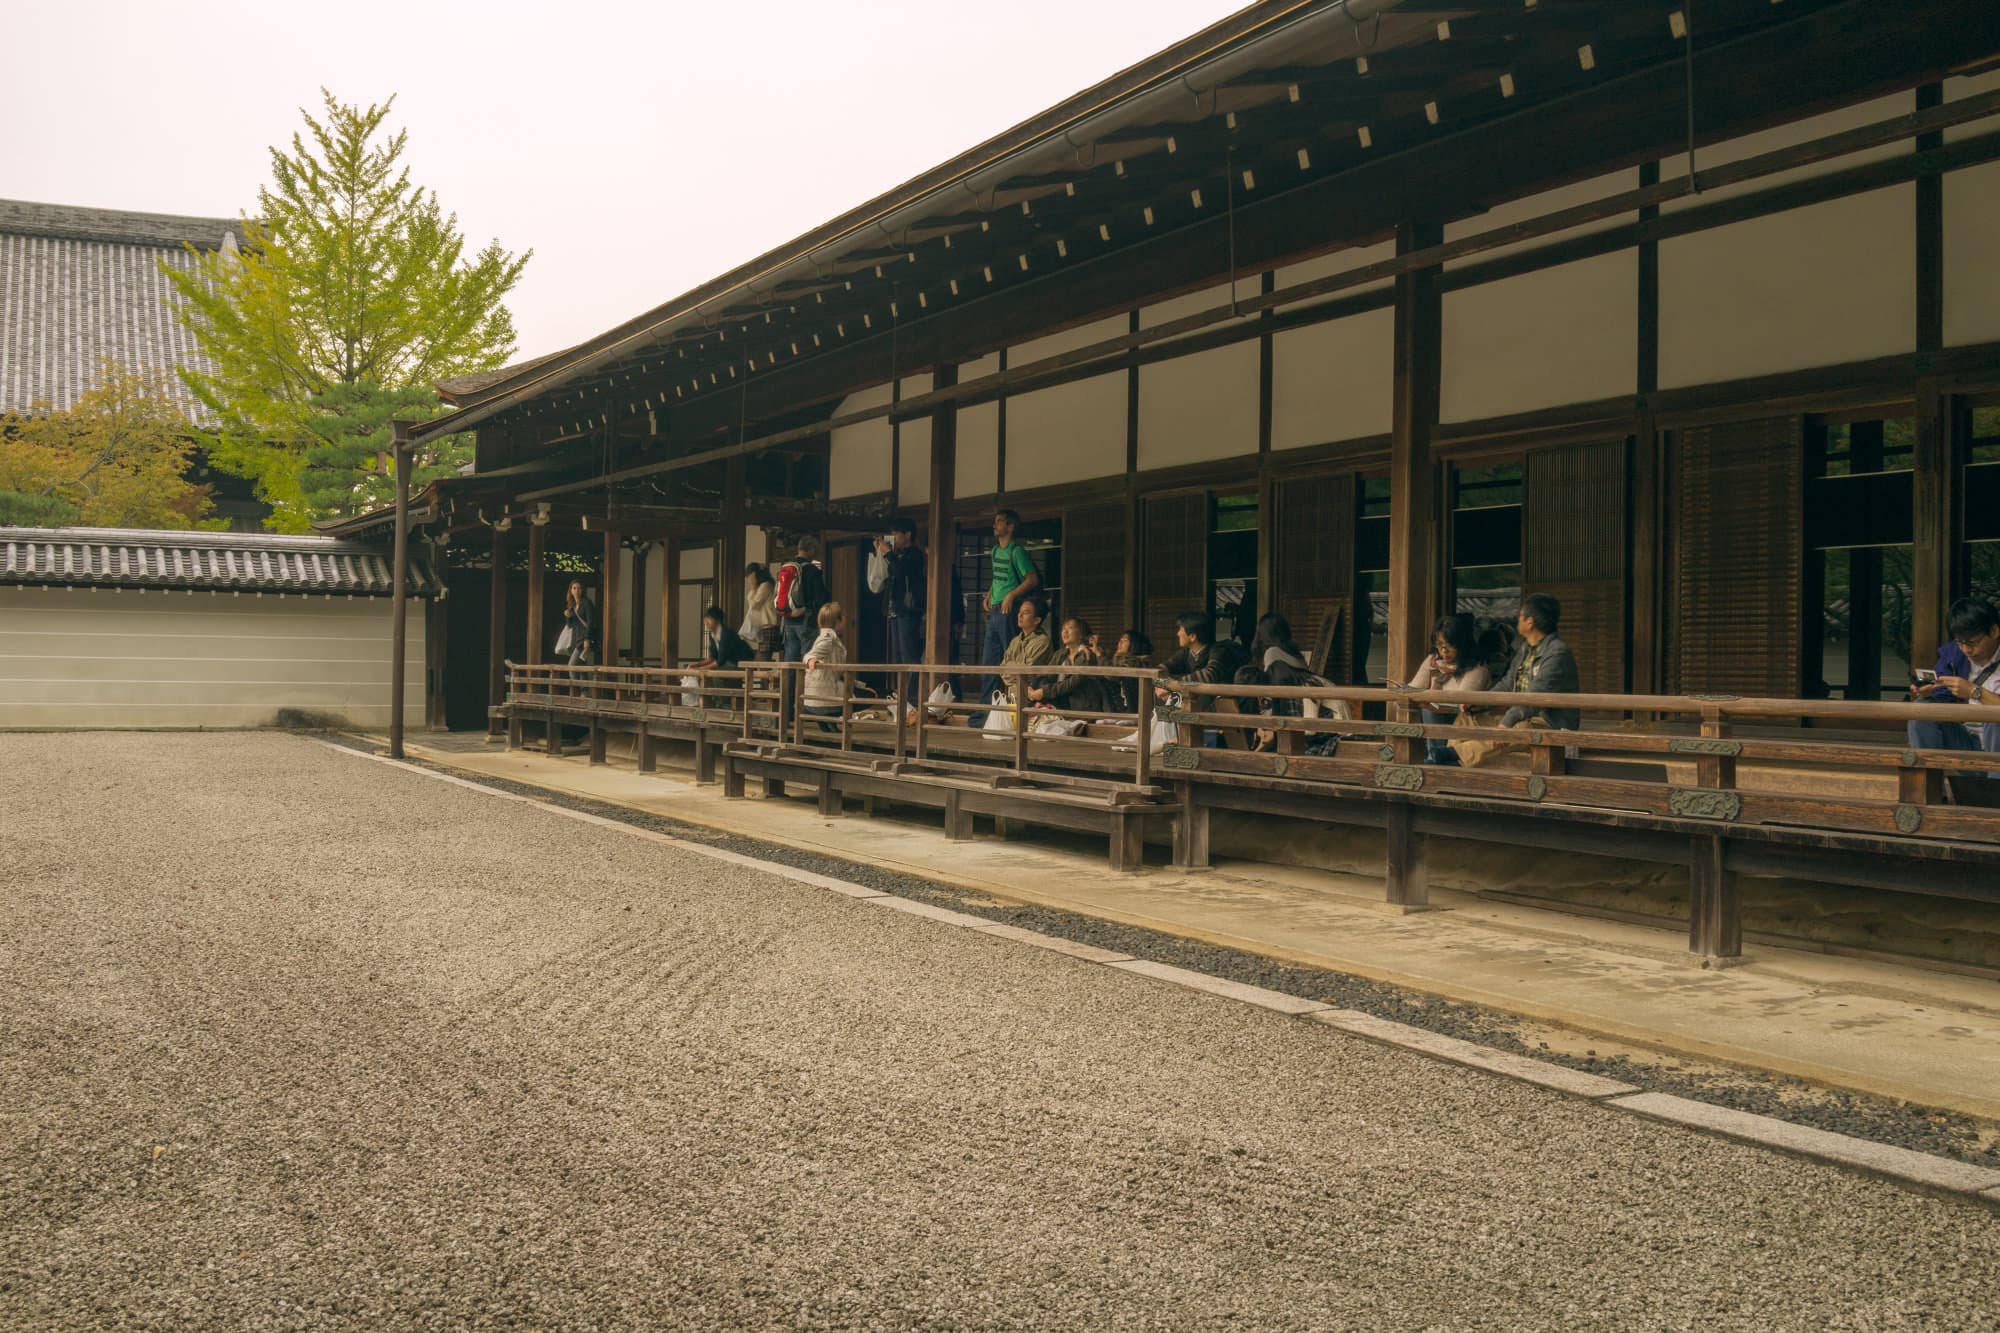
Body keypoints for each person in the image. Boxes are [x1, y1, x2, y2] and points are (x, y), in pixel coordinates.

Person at [1908, 596, 2000, 759]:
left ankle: (1993, 784)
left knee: (1995, 716)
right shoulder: (1953, 655)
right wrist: (1928, 692)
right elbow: (1941, 696)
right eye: (1960, 642)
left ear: (1994, 631)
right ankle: (1928, 782)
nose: (1966, 649)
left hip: (1995, 743)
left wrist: (1974, 691)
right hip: (1963, 740)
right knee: (1922, 709)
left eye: (1973, 642)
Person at [975, 509, 1040, 722]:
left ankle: (1014, 710)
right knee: (990, 663)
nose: (995, 525)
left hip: (1008, 610)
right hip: (995, 609)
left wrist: (1011, 595)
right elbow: (997, 577)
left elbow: (1031, 579)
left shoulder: (1017, 551)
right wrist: (989, 593)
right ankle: (986, 712)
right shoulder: (995, 550)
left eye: (999, 522)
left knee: (1011, 662)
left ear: (1010, 526)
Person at [1407, 612, 1492, 765]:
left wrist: (1432, 701)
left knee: (1429, 710)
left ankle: (1439, 757)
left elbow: (1462, 702)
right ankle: (1434, 754)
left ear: (1462, 644)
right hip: (1436, 715)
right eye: (1439, 645)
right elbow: (1414, 687)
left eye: (1449, 645)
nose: (1443, 651)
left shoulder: (1477, 667)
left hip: (1465, 719)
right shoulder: (1434, 661)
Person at [866, 516, 927, 710]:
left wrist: (889, 554)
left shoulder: (914, 555)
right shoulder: (898, 554)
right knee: (899, 657)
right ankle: (902, 697)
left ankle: (913, 699)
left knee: (910, 656)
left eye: (896, 533)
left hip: (908, 610)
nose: (893, 537)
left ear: (907, 534)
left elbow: (903, 572)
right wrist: (881, 553)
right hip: (894, 610)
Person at [1498, 593, 1580, 730]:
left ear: (1529, 622)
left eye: (1520, 616)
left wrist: (1507, 721)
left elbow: (1535, 696)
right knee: (1467, 720)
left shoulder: (1557, 652)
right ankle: (1451, 751)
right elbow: (1507, 683)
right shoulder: (1525, 648)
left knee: (1483, 742)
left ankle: (1453, 752)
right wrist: (1479, 703)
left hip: (1547, 723)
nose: (1517, 619)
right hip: (1521, 717)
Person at [1026, 616, 1110, 716]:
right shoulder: (1060, 654)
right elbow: (1046, 673)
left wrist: (1044, 692)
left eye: (1070, 628)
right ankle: (1035, 706)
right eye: (1063, 629)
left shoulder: (1087, 653)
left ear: (1081, 634)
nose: (1065, 631)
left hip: (1079, 702)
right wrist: (1032, 688)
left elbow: (1073, 682)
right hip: (1060, 697)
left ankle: (1038, 707)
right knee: (1041, 680)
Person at [994, 596, 1056, 710]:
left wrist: (1011, 667)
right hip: (1012, 697)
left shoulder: (1042, 641)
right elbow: (1002, 668)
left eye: (1026, 612)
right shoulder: (1015, 640)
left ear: (1037, 620)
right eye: (1020, 612)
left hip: (1032, 699)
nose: (1020, 615)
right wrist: (1014, 670)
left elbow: (1028, 671)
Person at [774, 536, 827, 664]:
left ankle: (788, 684)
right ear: (812, 550)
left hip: (788, 620)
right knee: (808, 660)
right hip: (806, 620)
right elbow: (820, 597)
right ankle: (805, 685)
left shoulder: (785, 568)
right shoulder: (812, 570)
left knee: (790, 661)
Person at [802, 601, 855, 725]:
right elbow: (810, 655)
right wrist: (811, 660)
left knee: (858, 691)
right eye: (844, 617)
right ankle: (826, 717)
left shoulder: (827, 637)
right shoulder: (828, 638)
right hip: (821, 699)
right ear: (838, 620)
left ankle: (827, 722)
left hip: (818, 696)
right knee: (866, 696)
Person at [688, 606, 750, 671]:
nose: (706, 622)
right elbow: (712, 657)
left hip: (740, 663)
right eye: (705, 619)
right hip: (728, 662)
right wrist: (696, 665)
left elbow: (720, 661)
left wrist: (700, 669)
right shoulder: (712, 634)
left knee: (713, 672)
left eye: (709, 618)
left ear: (718, 620)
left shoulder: (726, 634)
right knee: (706, 671)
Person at [1108, 629, 1153, 717]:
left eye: (1124, 640)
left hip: (1135, 709)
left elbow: (1111, 676)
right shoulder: (1117, 660)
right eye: (1120, 640)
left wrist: (1099, 655)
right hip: (1120, 708)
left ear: (1134, 644)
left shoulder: (1136, 662)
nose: (1120, 643)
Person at [558, 579, 599, 667]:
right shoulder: (572, 605)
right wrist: (568, 616)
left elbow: (590, 622)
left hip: (584, 640)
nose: (577, 590)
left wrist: (587, 639)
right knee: (581, 671)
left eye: (579, 588)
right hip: (576, 639)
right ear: (571, 590)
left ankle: (574, 682)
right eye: (574, 588)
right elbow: (570, 625)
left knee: (572, 667)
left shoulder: (587, 603)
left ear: (582, 590)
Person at [740, 563, 778, 656]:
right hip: (764, 625)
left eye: (749, 575)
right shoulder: (763, 585)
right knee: (763, 654)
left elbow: (754, 604)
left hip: (768, 625)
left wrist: (753, 587)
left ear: (754, 574)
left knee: (764, 655)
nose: (748, 579)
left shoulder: (765, 585)